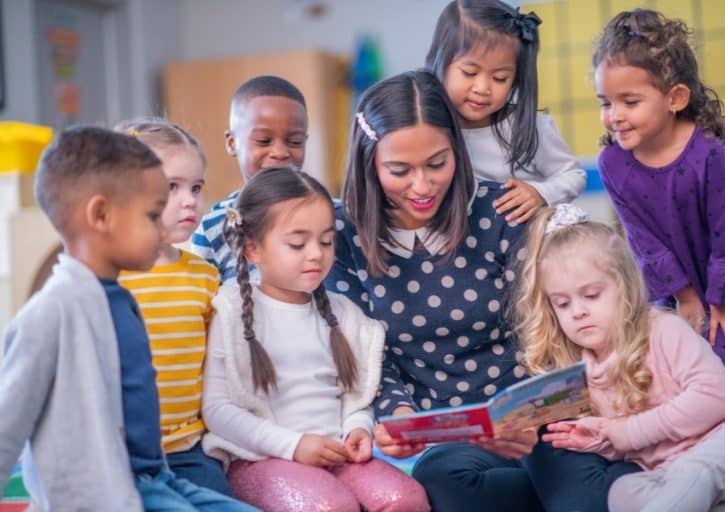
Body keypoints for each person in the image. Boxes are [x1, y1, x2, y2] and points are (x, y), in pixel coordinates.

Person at [327, 69, 631, 511]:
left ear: (458, 150)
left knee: (576, 488)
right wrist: (400, 417)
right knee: (446, 482)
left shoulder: (499, 211)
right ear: (369, 162)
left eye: (437, 163)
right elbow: (365, 350)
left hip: (533, 415)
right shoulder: (342, 234)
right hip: (448, 436)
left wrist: (529, 416)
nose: (422, 185)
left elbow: (541, 329)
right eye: (399, 170)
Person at [0, 126, 259, 511]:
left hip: (156, 476)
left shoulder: (120, 298)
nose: (162, 228)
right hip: (107, 490)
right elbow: (7, 424)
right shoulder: (51, 311)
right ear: (101, 215)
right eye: (152, 215)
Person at [201, 167, 430, 512]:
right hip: (259, 459)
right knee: (328, 506)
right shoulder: (230, 311)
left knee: (405, 499)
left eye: (325, 241)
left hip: (337, 455)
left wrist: (358, 428)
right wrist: (293, 445)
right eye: (297, 243)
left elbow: (356, 396)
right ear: (252, 248)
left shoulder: (345, 315)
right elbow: (217, 410)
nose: (315, 254)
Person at [516, 203, 725, 511]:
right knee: (622, 492)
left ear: (625, 288)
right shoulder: (580, 372)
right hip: (673, 470)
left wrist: (624, 433)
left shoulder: (663, 329)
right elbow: (627, 444)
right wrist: (602, 440)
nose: (578, 311)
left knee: (694, 475)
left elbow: (718, 396)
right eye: (563, 304)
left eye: (591, 295)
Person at [593, 8, 725, 387]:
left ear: (675, 98)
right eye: (606, 103)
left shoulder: (707, 154)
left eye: (630, 102)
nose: (614, 116)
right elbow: (644, 241)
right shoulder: (612, 164)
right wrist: (684, 296)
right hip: (672, 282)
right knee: (676, 365)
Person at [115, 118, 230, 496]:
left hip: (188, 449)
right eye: (172, 187)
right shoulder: (113, 276)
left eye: (196, 188)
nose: (190, 201)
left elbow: (220, 366)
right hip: (123, 452)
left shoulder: (205, 277)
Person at [425, 0, 585, 225]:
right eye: (470, 73)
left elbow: (574, 176)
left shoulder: (529, 127)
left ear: (516, 81)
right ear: (438, 61)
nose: (482, 88)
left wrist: (540, 193)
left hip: (530, 246)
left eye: (500, 78)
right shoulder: (428, 128)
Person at [191, 75, 308, 283]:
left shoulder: (333, 216)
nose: (280, 152)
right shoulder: (212, 229)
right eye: (264, 141)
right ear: (232, 143)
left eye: (295, 141)